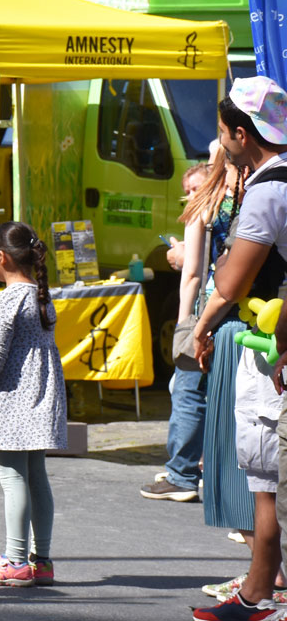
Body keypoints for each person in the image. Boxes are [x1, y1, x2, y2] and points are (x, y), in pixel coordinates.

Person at [191, 78, 287, 621]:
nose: (222, 141)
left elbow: (231, 281)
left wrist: (202, 324)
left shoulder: (269, 189)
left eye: (225, 133)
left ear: (242, 134)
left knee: (265, 475)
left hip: (270, 345)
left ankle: (260, 593)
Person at [0, 221, 66, 589]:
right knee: (36, 476)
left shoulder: (6, 300)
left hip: (12, 397)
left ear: (2, 258)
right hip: (40, 395)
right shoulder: (41, 296)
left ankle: (16, 560)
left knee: (13, 477)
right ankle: (42, 560)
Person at [141, 160, 216, 503]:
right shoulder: (237, 203)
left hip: (205, 311)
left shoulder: (206, 210)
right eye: (186, 192)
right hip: (227, 311)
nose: (190, 197)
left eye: (195, 188)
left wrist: (185, 325)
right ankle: (199, 469)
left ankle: (182, 474)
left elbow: (195, 273)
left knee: (188, 392)